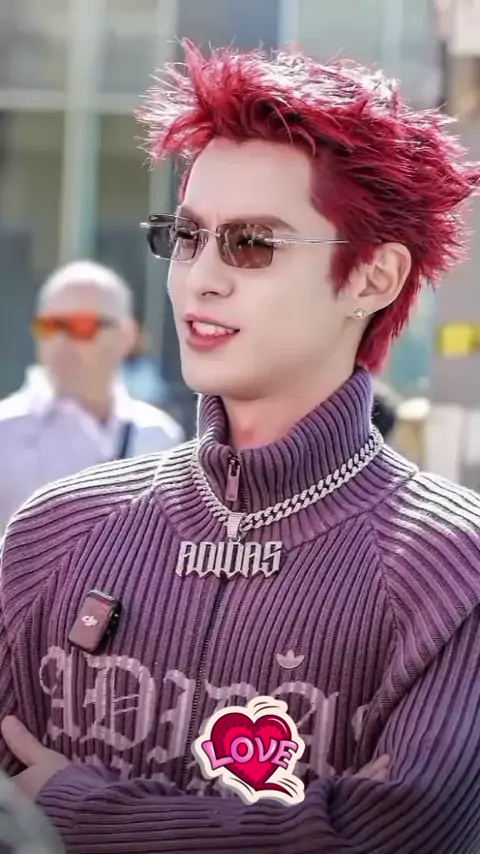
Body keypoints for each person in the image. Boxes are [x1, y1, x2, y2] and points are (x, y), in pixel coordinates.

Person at [0, 41, 479, 854]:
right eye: (187, 236)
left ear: (373, 278)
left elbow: (393, 837)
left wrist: (72, 808)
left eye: (253, 243)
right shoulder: (59, 529)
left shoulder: (450, 569)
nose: (201, 278)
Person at [0, 260, 183, 532]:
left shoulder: (159, 437)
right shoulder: (5, 433)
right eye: (50, 326)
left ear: (126, 335)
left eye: (81, 326)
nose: (61, 341)